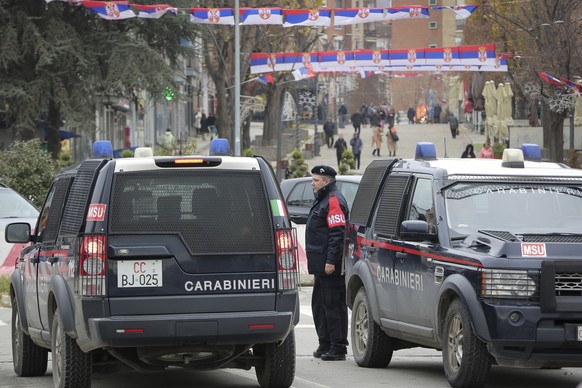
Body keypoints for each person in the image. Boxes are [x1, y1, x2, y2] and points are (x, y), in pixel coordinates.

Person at [306, 165, 349, 361]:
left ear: (326, 181)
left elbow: (337, 233)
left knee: (333, 305)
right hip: (320, 266)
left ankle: (338, 347)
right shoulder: (322, 200)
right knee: (320, 305)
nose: (312, 183)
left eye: (315, 180)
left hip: (329, 265)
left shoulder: (333, 200)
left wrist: (331, 261)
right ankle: (325, 342)